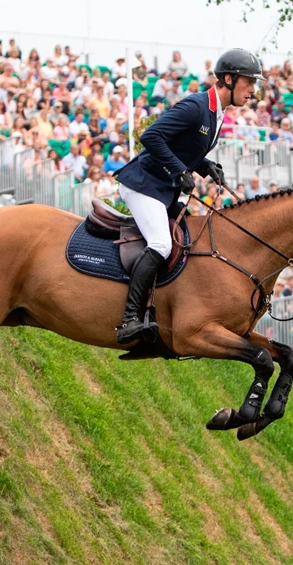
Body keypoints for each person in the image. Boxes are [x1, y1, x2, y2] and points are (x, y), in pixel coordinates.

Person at [112, 48, 262, 344]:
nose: (253, 91)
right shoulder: (196, 106)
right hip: (143, 184)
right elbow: (151, 136)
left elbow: (183, 146)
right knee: (161, 244)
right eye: (249, 82)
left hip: (160, 188)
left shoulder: (216, 113)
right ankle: (129, 319)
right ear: (229, 79)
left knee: (189, 239)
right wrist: (180, 170)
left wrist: (205, 166)